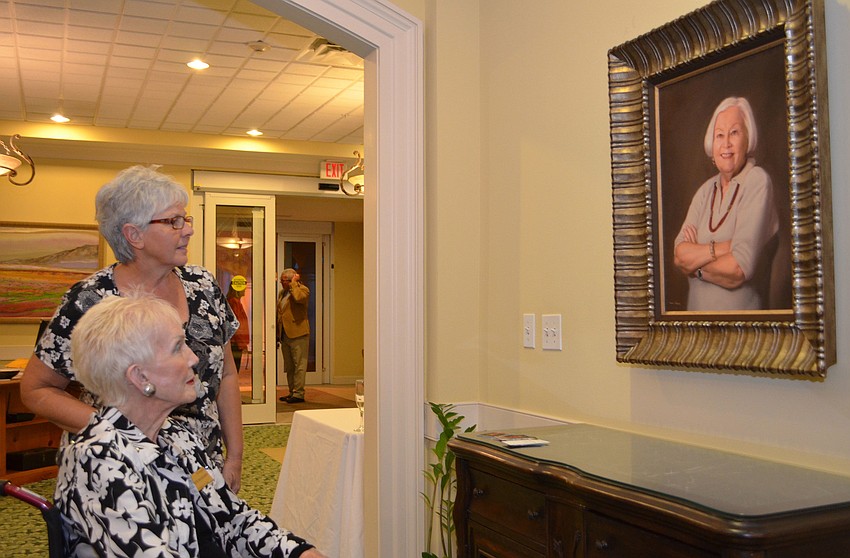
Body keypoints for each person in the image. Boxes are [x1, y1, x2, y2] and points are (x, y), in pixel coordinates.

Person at [20, 165, 245, 492]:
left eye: (186, 219)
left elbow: (226, 374)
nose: (187, 230)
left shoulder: (204, 287)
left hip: (200, 467)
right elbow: (36, 390)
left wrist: (234, 456)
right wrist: (120, 432)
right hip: (120, 469)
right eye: (173, 221)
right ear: (133, 235)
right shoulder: (89, 301)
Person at [54, 293, 327, 558]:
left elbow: (231, 518)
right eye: (177, 348)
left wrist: (296, 551)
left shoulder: (178, 436)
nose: (193, 358)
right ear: (139, 376)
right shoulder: (99, 463)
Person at [673, 96, 779, 311]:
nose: (726, 144)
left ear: (748, 139)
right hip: (696, 329)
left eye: (734, 133)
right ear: (712, 144)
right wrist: (723, 247)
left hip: (743, 331)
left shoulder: (757, 181)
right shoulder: (705, 191)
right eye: (720, 135)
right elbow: (679, 255)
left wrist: (696, 269)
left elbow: (738, 268)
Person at [276, 268, 310, 403]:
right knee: (289, 366)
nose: (282, 283)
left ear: (292, 280)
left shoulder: (303, 290)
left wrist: (294, 284)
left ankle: (299, 393)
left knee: (299, 365)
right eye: (281, 281)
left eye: (285, 281)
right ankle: (292, 392)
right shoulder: (281, 293)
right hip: (285, 334)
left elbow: (299, 298)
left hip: (299, 333)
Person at [227, 281, 250, 372]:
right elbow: (237, 324)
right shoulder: (234, 302)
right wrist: (242, 342)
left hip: (235, 341)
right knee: (234, 368)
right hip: (235, 341)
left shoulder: (235, 302)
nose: (244, 289)